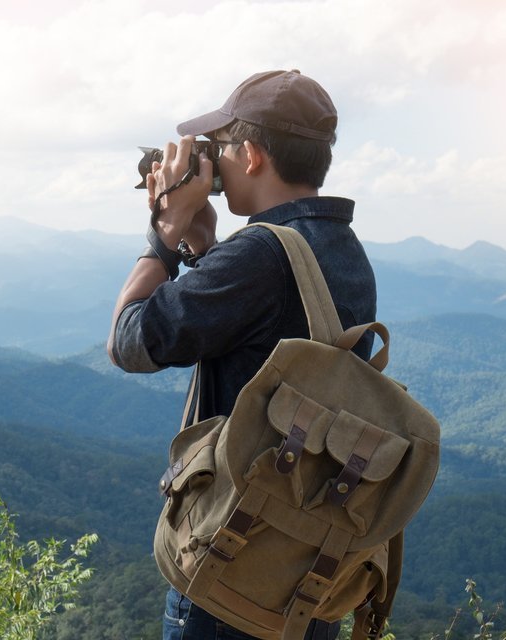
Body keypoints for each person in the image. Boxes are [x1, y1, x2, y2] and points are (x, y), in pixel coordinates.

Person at [106, 70, 377, 640]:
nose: (212, 161)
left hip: (230, 575)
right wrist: (205, 248)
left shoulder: (258, 255)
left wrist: (165, 232)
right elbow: (260, 325)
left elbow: (129, 342)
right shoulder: (342, 248)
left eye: (219, 146)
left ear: (251, 155)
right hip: (302, 572)